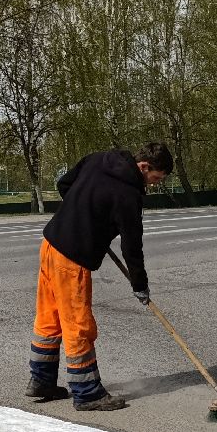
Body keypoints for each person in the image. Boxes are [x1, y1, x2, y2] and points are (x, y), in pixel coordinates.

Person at [26, 141, 173, 412]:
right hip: (71, 259)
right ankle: (87, 393)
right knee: (77, 325)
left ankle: (41, 381)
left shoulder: (98, 158)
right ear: (144, 166)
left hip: (50, 245)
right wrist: (140, 285)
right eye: (156, 178)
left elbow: (64, 184)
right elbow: (132, 247)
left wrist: (85, 218)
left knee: (49, 318)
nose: (154, 184)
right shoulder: (129, 195)